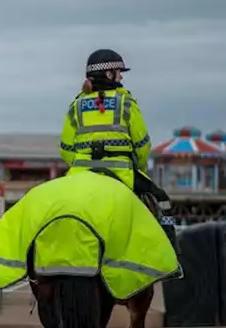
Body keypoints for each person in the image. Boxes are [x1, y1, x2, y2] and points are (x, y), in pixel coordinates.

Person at [59, 48, 168, 208]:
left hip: (80, 174)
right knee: (163, 204)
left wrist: (80, 165)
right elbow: (142, 146)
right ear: (109, 74)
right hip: (122, 176)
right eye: (118, 72)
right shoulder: (126, 103)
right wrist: (139, 169)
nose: (121, 76)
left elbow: (66, 149)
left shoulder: (76, 106)